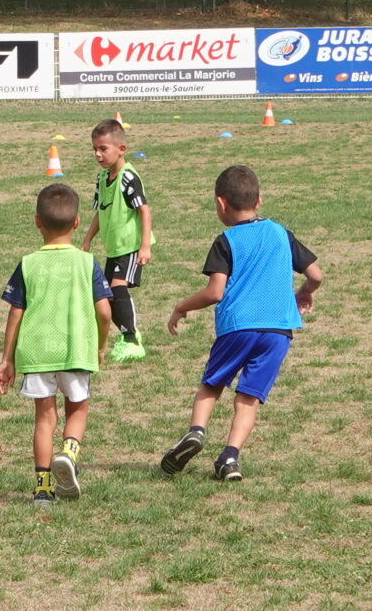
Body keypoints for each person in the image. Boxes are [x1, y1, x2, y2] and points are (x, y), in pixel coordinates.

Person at [160, 164, 323, 484]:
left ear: (221, 204)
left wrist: (181, 307)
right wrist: (303, 292)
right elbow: (316, 274)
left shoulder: (226, 241)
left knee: (212, 384)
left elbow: (215, 292)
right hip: (278, 332)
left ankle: (196, 432)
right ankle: (230, 457)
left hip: (238, 327)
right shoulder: (280, 232)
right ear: (259, 201)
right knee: (248, 398)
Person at [0, 182, 112, 502]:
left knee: (44, 418)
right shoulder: (87, 264)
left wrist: (7, 360)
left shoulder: (28, 263)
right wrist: (100, 345)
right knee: (79, 408)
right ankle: (69, 453)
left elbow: (15, 313)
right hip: (76, 348)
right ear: (76, 223)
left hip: (36, 352)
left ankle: (43, 488)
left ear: (37, 222)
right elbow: (104, 312)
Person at [84, 119, 151, 362]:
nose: (98, 155)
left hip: (131, 245)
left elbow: (144, 210)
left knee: (117, 286)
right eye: (95, 149)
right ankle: (127, 336)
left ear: (121, 149)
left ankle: (132, 339)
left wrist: (144, 245)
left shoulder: (128, 177)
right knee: (107, 294)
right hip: (114, 246)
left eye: (103, 149)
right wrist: (87, 239)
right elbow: (100, 212)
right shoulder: (102, 179)